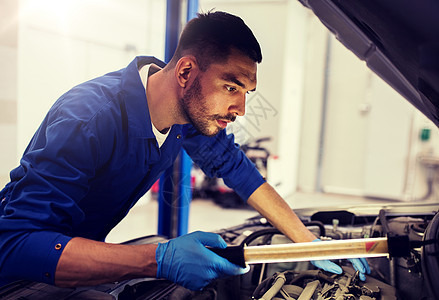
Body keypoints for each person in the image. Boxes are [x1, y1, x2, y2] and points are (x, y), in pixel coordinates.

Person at [0, 11, 369, 291]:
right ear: (185, 72)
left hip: (77, 259)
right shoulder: (88, 118)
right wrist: (156, 261)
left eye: (246, 93)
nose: (241, 109)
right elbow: (15, 244)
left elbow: (239, 171)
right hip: (18, 278)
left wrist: (306, 242)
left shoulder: (184, 120)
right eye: (231, 87)